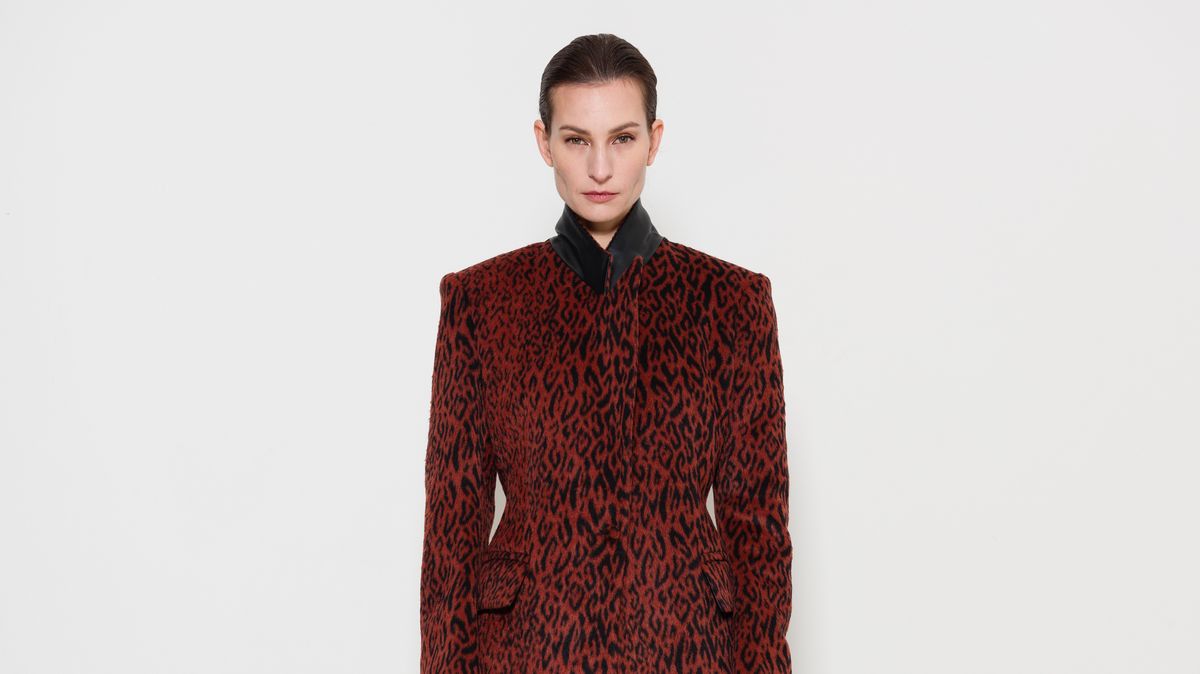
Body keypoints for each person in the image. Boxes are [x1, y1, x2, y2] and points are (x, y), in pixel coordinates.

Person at [419, 33, 793, 674]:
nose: (600, 168)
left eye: (621, 138)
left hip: (685, 647)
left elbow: (758, 535)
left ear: (654, 139)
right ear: (544, 143)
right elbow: (451, 538)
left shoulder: (732, 303)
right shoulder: (481, 301)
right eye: (576, 140)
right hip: (527, 650)